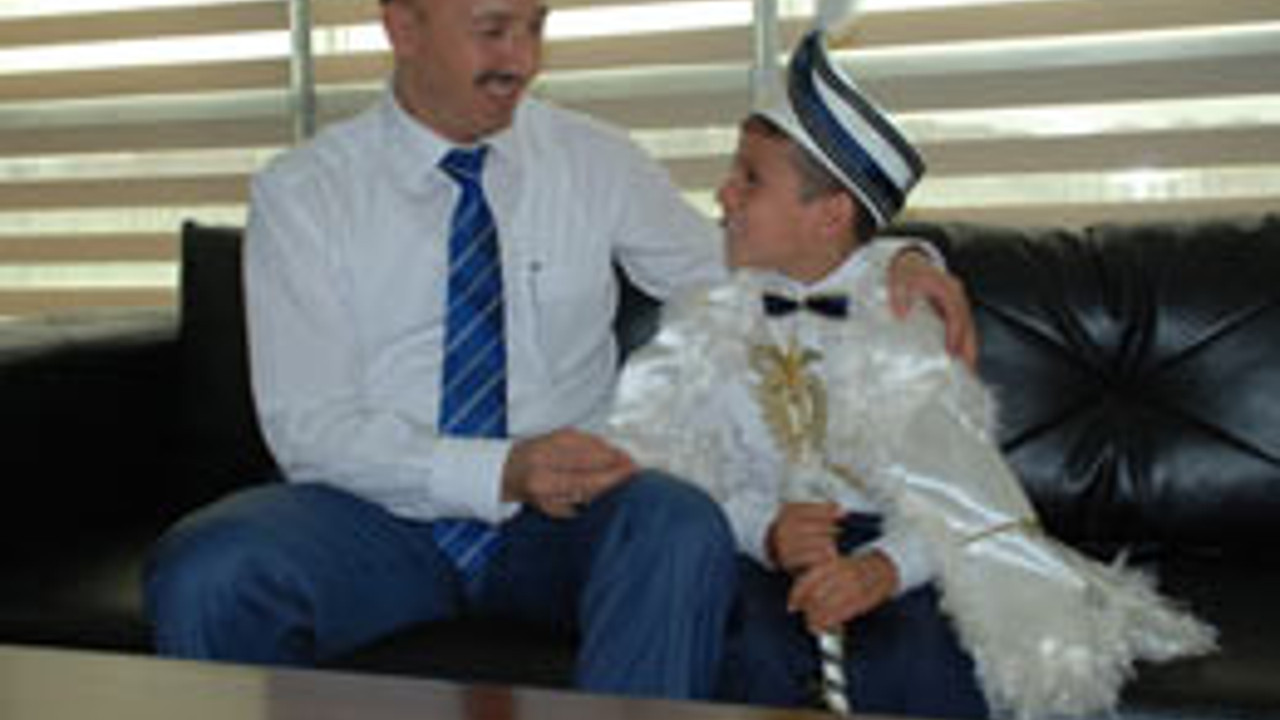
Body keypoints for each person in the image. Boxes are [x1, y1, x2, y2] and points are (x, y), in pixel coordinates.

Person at [143, 0, 976, 701]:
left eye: (536, 27)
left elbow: (743, 273)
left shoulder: (592, 159)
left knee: (676, 523)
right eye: (493, 29)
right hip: (373, 516)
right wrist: (503, 469)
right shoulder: (303, 194)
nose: (522, 59)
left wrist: (895, 262)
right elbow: (311, 430)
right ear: (403, 25)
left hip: (563, 519)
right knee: (209, 569)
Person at [607, 6, 1216, 718]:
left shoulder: (901, 323)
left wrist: (881, 570)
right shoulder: (708, 320)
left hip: (898, 552)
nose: (723, 194)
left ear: (830, 215)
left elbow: (962, 496)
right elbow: (682, 469)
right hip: (763, 546)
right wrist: (764, 531)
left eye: (750, 179)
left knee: (918, 662)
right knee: (753, 651)